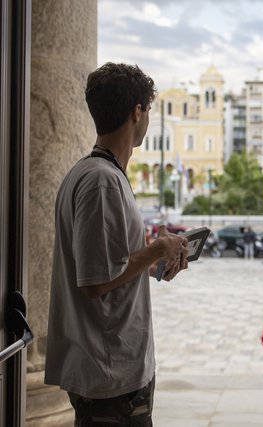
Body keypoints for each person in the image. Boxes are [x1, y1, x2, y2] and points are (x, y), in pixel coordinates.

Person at [44, 62, 189, 426]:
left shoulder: (96, 174)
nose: (149, 119)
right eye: (150, 110)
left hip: (111, 372)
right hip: (110, 376)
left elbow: (115, 263)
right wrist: (156, 249)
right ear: (136, 112)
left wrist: (160, 264)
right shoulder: (101, 182)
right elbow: (95, 282)